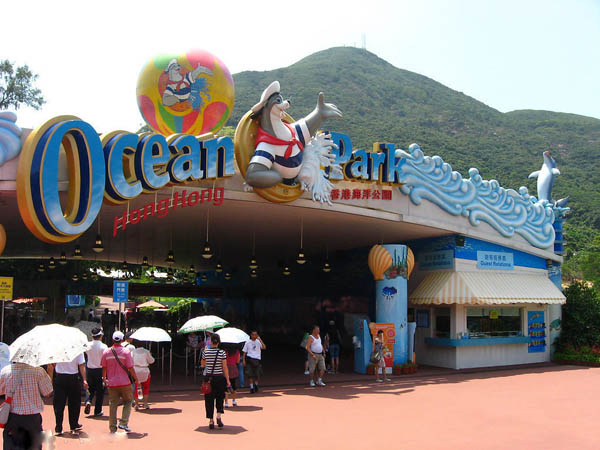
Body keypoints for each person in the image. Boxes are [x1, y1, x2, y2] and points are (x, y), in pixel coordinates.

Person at [0, 362, 53, 449]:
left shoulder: (6, 371)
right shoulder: (38, 370)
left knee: (12, 445)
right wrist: (50, 372)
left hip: (13, 418)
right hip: (33, 418)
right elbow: (47, 392)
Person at [101, 330, 139, 433]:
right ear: (122, 340)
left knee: (113, 404)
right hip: (125, 382)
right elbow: (130, 368)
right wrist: (136, 379)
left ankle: (112, 428)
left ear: (113, 339)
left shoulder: (106, 352)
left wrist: (104, 379)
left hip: (112, 383)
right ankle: (123, 422)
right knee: (128, 401)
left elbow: (104, 367)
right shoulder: (126, 352)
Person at [47, 352, 88, 435]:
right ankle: (73, 426)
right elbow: (81, 365)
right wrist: (84, 379)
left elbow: (51, 364)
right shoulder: (77, 349)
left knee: (59, 404)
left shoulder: (58, 348)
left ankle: (58, 427)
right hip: (73, 377)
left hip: (60, 377)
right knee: (74, 403)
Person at [201, 334, 230, 429]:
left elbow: (202, 365)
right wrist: (228, 380)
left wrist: (205, 352)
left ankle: (211, 420)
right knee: (220, 397)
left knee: (209, 399)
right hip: (219, 378)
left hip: (209, 378)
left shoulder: (206, 352)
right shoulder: (222, 352)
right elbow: (225, 367)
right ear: (218, 342)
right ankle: (218, 416)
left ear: (211, 342)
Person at [84, 328, 107, 417]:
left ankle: (88, 400)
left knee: (90, 388)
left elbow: (85, 353)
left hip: (90, 369)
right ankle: (97, 410)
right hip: (100, 370)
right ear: (101, 336)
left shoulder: (87, 345)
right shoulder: (103, 346)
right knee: (100, 391)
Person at [132, 344, 155, 410]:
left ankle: (136, 404)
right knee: (146, 387)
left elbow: (130, 361)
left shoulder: (133, 352)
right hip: (145, 370)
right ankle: (145, 403)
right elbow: (152, 361)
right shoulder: (146, 351)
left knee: (137, 387)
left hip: (136, 370)